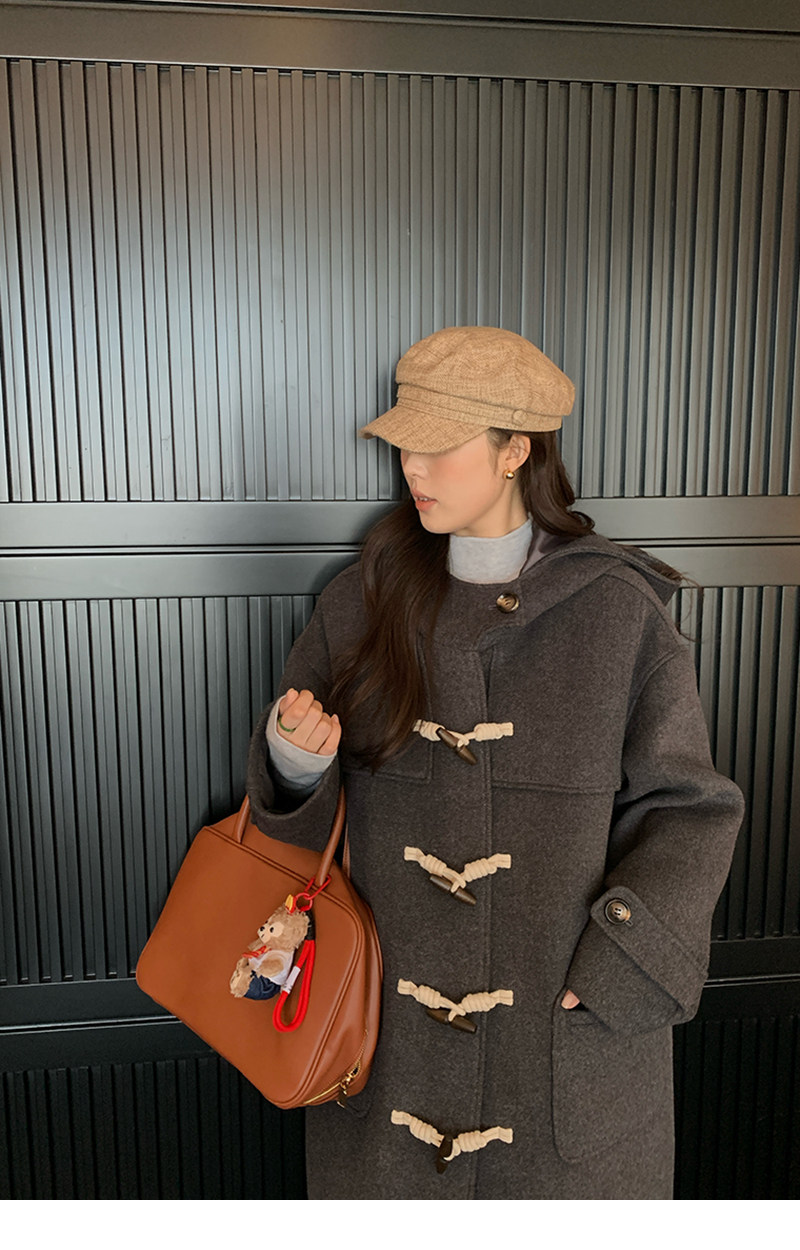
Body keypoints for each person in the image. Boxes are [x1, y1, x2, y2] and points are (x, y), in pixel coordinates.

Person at [246, 326, 744, 1200]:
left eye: (438, 445)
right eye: (405, 445)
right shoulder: (359, 601)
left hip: (556, 1048)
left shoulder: (619, 613)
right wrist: (293, 765)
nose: (412, 468)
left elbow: (689, 808)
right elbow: (298, 837)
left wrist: (620, 968)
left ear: (517, 450)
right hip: (387, 1049)